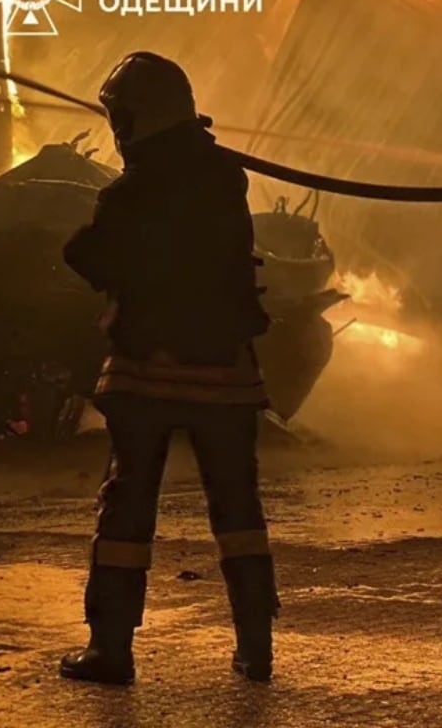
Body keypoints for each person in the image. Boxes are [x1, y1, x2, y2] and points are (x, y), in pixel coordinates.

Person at [59, 52, 278, 685]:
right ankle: (256, 645)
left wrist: (82, 238)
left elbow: (93, 260)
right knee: (239, 511)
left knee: (126, 511)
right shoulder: (224, 178)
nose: (118, 131)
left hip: (147, 373)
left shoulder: (131, 194)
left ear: (139, 120)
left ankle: (111, 648)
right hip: (227, 373)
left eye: (121, 118)